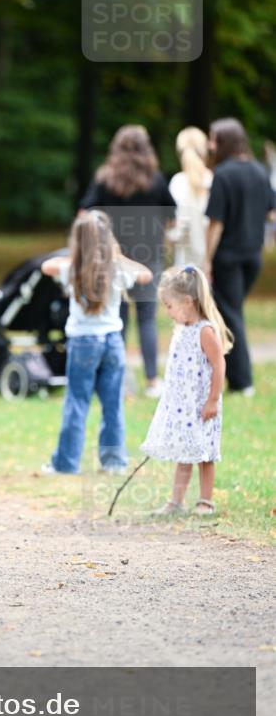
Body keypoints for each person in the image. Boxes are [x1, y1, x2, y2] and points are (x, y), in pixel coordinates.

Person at [39, 211, 152, 475]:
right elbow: (145, 274)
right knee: (113, 404)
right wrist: (117, 255)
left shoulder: (71, 268)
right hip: (113, 341)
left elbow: (46, 266)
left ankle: (66, 464)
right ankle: (114, 462)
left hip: (82, 343)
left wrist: (78, 254)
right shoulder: (117, 269)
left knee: (77, 403)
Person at [79, 124, 176, 398]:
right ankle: (152, 381)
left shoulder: (105, 179)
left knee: (115, 317)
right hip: (149, 257)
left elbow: (85, 212)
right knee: (146, 318)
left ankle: (117, 379)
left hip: (112, 258)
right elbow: (172, 216)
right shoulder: (156, 180)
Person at [142, 265, 232, 516]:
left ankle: (205, 500)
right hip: (184, 405)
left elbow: (218, 364)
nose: (167, 311)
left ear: (187, 302)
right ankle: (176, 501)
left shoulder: (204, 331)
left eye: (169, 306)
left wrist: (213, 400)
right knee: (185, 451)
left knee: (204, 454)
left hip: (203, 404)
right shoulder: (182, 330)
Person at [205, 118, 276, 394]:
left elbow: (216, 223)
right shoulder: (259, 171)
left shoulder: (223, 175)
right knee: (230, 313)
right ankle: (233, 377)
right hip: (253, 257)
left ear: (224, 141)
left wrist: (206, 258)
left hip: (228, 258)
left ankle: (243, 381)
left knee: (231, 316)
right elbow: (271, 211)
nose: (211, 145)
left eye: (213, 139)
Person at [167, 127, 212, 268]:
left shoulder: (178, 182)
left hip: (184, 260)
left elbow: (175, 227)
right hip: (211, 259)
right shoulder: (214, 180)